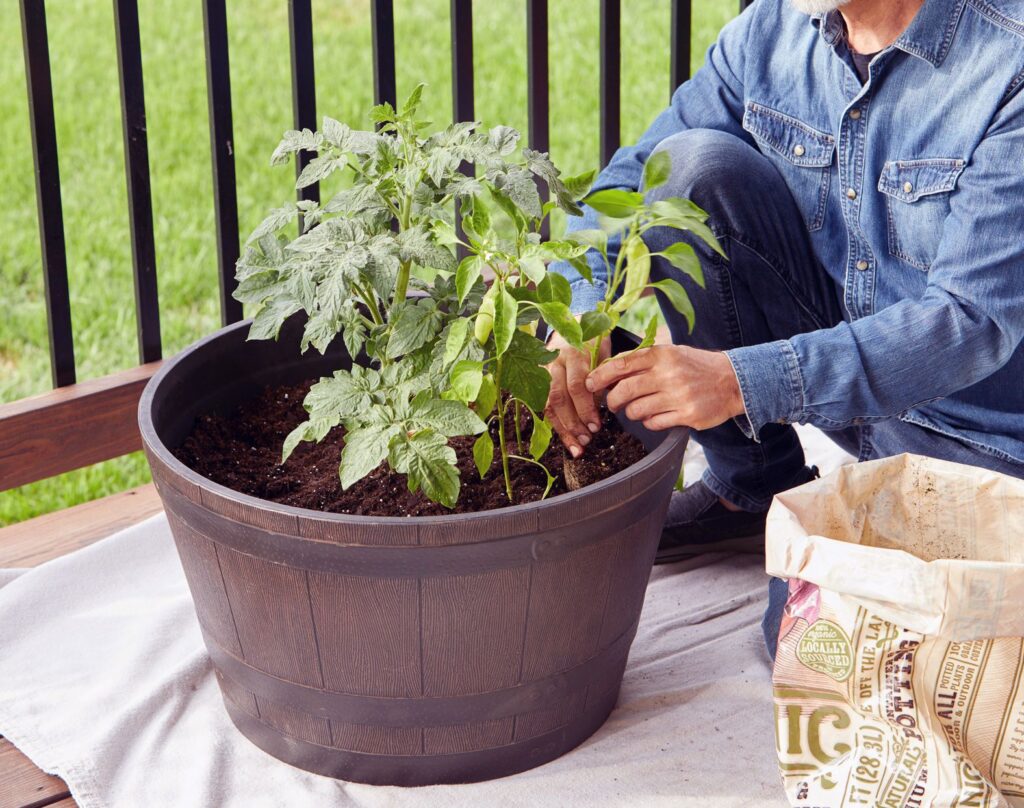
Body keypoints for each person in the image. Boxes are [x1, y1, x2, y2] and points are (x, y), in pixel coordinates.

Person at [545, 0, 1024, 656]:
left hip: (981, 433)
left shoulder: (1009, 62)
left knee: (808, 643)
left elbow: (970, 323)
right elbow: (634, 178)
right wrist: (573, 310)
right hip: (850, 375)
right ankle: (752, 486)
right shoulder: (770, 32)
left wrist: (741, 381)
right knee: (689, 171)